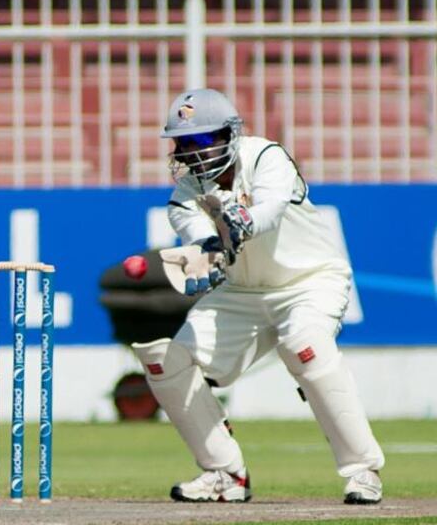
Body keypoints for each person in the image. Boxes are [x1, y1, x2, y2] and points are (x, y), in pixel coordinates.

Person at [132, 88, 385, 504]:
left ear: (228, 135)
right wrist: (206, 251)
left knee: (306, 346)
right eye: (182, 143)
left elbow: (269, 211)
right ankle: (224, 474)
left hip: (310, 281)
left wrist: (240, 218)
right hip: (243, 293)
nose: (191, 153)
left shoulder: (266, 156)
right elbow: (201, 236)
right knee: (165, 361)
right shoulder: (184, 198)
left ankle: (363, 472)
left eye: (200, 141)